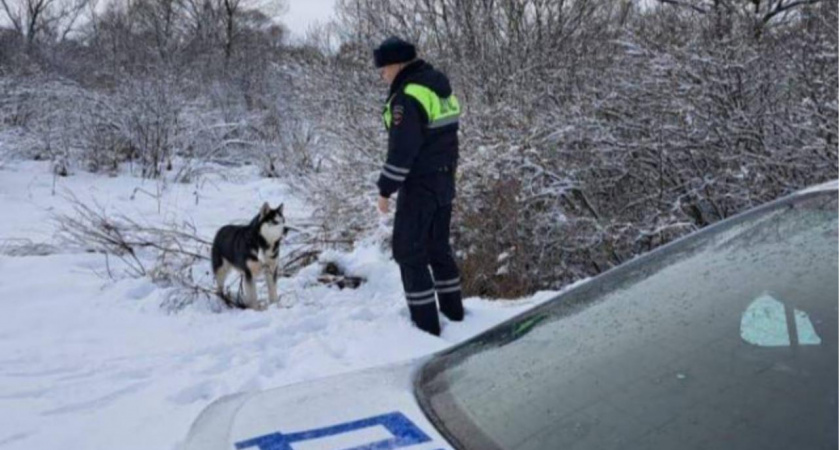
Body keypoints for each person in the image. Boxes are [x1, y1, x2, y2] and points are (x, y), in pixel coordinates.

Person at [373, 36, 464, 336]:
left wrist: (386, 189)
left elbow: (403, 150)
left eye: (384, 68)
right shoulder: (437, 86)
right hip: (445, 180)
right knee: (437, 249)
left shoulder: (407, 97)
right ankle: (455, 316)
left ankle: (426, 331)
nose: (382, 74)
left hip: (420, 183)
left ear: (398, 64)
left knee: (409, 253)